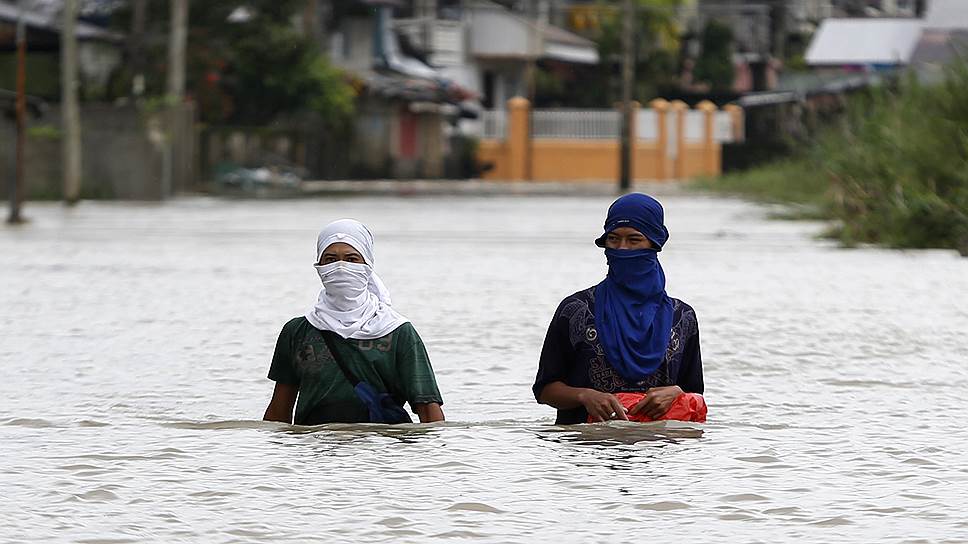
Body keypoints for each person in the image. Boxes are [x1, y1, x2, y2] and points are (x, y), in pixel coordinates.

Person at [533, 193, 704, 424]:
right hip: (586, 450)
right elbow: (544, 390)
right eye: (613, 239)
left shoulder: (682, 317)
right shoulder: (576, 311)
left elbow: (694, 393)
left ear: (654, 244)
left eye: (634, 240)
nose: (622, 249)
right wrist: (585, 395)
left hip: (657, 452)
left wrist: (675, 393)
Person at [263, 219, 445, 425]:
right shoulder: (297, 331)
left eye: (351, 259)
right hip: (316, 450)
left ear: (367, 265)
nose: (341, 267)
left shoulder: (398, 331)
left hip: (379, 450)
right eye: (330, 259)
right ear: (319, 266)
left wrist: (436, 455)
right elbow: (279, 411)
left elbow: (429, 411)